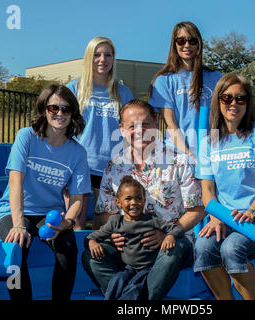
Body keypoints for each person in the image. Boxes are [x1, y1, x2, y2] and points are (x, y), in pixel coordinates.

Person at [81, 99, 205, 300]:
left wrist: (167, 234)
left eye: (145, 124)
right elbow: (106, 211)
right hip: (128, 245)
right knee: (92, 256)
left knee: (170, 252)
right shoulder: (114, 166)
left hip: (172, 241)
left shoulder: (180, 161)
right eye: (132, 126)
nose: (140, 131)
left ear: (156, 124)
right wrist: (113, 235)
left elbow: (198, 209)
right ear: (121, 130)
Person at [0, 84, 91, 300]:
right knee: (15, 250)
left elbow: (77, 198)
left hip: (49, 214)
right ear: (44, 110)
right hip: (13, 211)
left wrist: (69, 222)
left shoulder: (77, 152)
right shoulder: (26, 136)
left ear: (73, 113)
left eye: (66, 109)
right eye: (53, 108)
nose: (60, 114)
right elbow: (16, 182)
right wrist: (18, 224)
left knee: (68, 246)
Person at [194, 73, 255, 300]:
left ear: (248, 102)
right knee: (203, 249)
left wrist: (252, 212)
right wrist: (215, 217)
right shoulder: (208, 142)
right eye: (227, 98)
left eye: (240, 98)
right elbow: (207, 190)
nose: (233, 103)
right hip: (223, 218)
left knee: (232, 248)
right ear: (218, 101)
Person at [67, 36, 134, 230]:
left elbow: (131, 130)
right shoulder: (74, 89)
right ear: (89, 58)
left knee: (104, 227)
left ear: (113, 59)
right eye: (97, 55)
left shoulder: (123, 92)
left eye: (108, 55)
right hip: (79, 164)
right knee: (75, 226)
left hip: (111, 165)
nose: (102, 59)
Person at [86, 175, 184, 299]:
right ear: (118, 202)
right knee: (117, 282)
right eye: (128, 199)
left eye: (138, 198)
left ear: (144, 200)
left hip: (149, 269)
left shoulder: (152, 219)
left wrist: (169, 236)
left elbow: (177, 229)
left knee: (136, 288)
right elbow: (91, 236)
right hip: (128, 269)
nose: (134, 203)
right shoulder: (115, 222)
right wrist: (92, 242)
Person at [149, 21, 222, 157]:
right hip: (177, 153)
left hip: (210, 152)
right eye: (181, 41)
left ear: (199, 44)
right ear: (174, 44)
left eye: (192, 41)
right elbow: (171, 124)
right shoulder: (163, 80)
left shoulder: (216, 77)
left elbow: (222, 118)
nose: (187, 45)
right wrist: (189, 155)